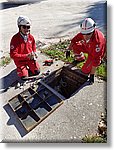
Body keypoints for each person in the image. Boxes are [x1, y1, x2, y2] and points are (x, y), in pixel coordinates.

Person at [68, 18, 106, 84]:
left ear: (93, 30)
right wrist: (69, 49)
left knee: (84, 71)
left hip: (94, 54)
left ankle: (100, 62)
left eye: (88, 34)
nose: (85, 36)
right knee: (75, 45)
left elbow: (96, 59)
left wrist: (92, 75)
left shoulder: (98, 42)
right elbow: (75, 39)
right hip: (87, 47)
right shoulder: (86, 32)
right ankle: (80, 58)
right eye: (83, 33)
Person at [10, 15, 40, 80]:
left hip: (29, 59)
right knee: (24, 77)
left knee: (37, 72)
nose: (27, 29)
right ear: (19, 27)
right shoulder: (15, 39)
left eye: (28, 27)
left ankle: (27, 69)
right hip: (20, 61)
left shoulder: (31, 37)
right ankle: (21, 69)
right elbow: (13, 55)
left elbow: (33, 46)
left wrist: (34, 52)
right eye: (24, 27)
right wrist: (26, 56)